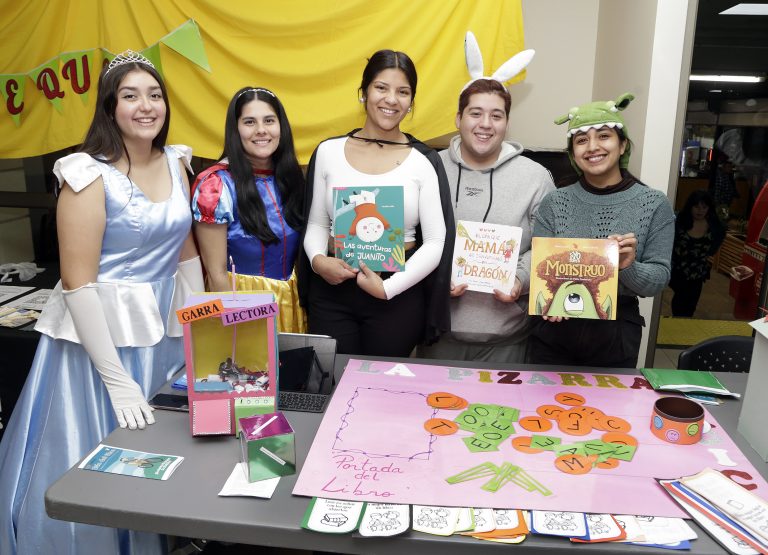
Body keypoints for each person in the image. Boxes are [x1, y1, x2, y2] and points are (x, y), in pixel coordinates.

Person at [0, 50, 203, 554]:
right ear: (110, 107)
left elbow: (186, 255)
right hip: (100, 341)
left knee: (165, 451)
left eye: (154, 95)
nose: (146, 106)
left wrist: (203, 332)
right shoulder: (86, 175)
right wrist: (115, 379)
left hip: (163, 329)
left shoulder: (177, 162)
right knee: (104, 452)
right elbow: (77, 283)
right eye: (130, 96)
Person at [299, 49, 454, 357]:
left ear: (411, 101)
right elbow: (316, 222)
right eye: (381, 87)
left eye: (403, 92)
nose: (391, 99)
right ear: (364, 92)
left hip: (396, 293)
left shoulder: (424, 161)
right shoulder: (328, 152)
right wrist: (317, 261)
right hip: (332, 289)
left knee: (383, 383)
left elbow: (436, 242)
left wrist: (387, 288)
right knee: (333, 379)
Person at [529, 93, 675, 368]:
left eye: (604, 136)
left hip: (615, 337)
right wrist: (549, 300)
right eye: (581, 140)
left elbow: (658, 280)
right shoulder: (554, 202)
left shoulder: (653, 204)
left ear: (623, 145)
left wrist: (628, 266)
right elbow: (540, 268)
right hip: (554, 333)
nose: (593, 147)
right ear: (573, 153)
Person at [419, 76, 554, 363]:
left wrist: (520, 278)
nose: (485, 124)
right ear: (458, 118)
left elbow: (548, 244)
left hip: (507, 341)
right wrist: (437, 276)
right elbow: (412, 237)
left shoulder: (536, 177)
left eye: (496, 115)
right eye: (476, 113)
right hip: (437, 334)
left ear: (507, 123)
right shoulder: (428, 168)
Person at [192, 87, 306, 332]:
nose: (261, 130)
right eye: (249, 122)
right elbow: (216, 273)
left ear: (281, 127)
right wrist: (237, 328)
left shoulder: (291, 178)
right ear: (235, 130)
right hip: (239, 304)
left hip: (289, 303)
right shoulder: (216, 185)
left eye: (269, 120)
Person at [669, 189, 725, 317]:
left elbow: (714, 246)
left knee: (691, 305)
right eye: (697, 207)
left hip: (698, 272)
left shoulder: (714, 226)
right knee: (680, 301)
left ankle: (684, 324)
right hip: (678, 270)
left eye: (704, 207)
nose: (700, 210)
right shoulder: (679, 221)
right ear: (690, 206)